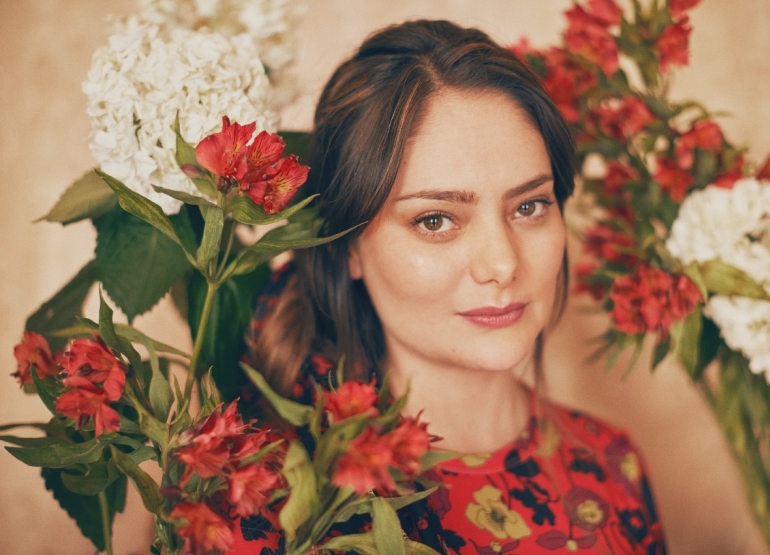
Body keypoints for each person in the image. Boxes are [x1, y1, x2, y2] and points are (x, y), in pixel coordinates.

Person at [229, 19, 666, 555]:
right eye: (435, 220)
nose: (502, 264)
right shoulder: (267, 502)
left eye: (529, 206)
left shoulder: (613, 466)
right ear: (347, 248)